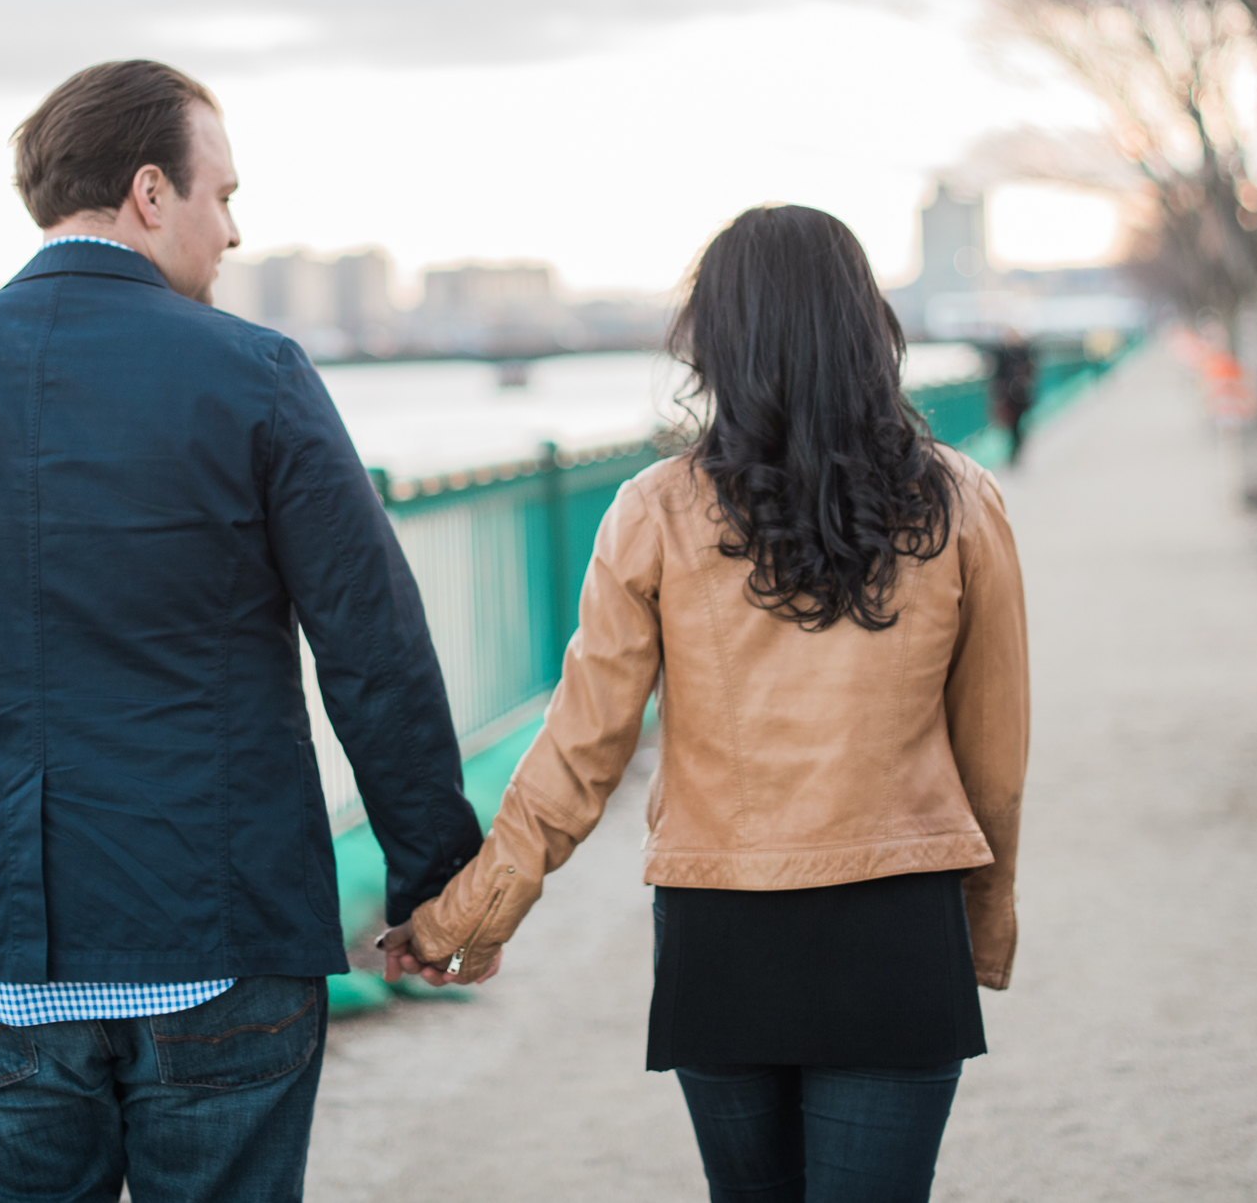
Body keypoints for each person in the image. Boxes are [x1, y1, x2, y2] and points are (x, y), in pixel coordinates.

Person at [0, 59, 483, 1203]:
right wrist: (435, 884)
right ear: (152, 192)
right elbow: (371, 645)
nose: (231, 229)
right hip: (215, 933)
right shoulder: (257, 374)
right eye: (221, 194)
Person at [384, 204, 1028, 1203]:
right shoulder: (959, 502)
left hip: (724, 933)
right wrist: (981, 930)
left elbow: (579, 749)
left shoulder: (656, 509)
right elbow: (995, 761)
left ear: (713, 340)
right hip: (900, 927)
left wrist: (464, 919)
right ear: (868, 327)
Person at [986, 330, 1038, 465]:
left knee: (1020, 426)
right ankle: (1014, 452)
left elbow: (1033, 371)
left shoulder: (1025, 352)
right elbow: (997, 375)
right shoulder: (1002, 354)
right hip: (1009, 397)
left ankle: (1016, 451)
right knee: (1012, 427)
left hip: (1022, 397)